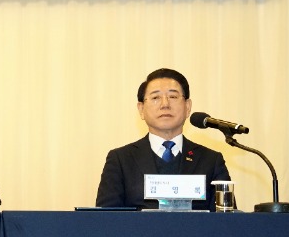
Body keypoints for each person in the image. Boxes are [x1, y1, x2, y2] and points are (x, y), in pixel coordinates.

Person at [96, 68, 230, 211]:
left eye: (173, 96)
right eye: (155, 98)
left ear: (187, 107)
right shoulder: (121, 160)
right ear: (141, 109)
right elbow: (107, 219)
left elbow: (227, 220)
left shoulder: (211, 160)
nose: (165, 104)